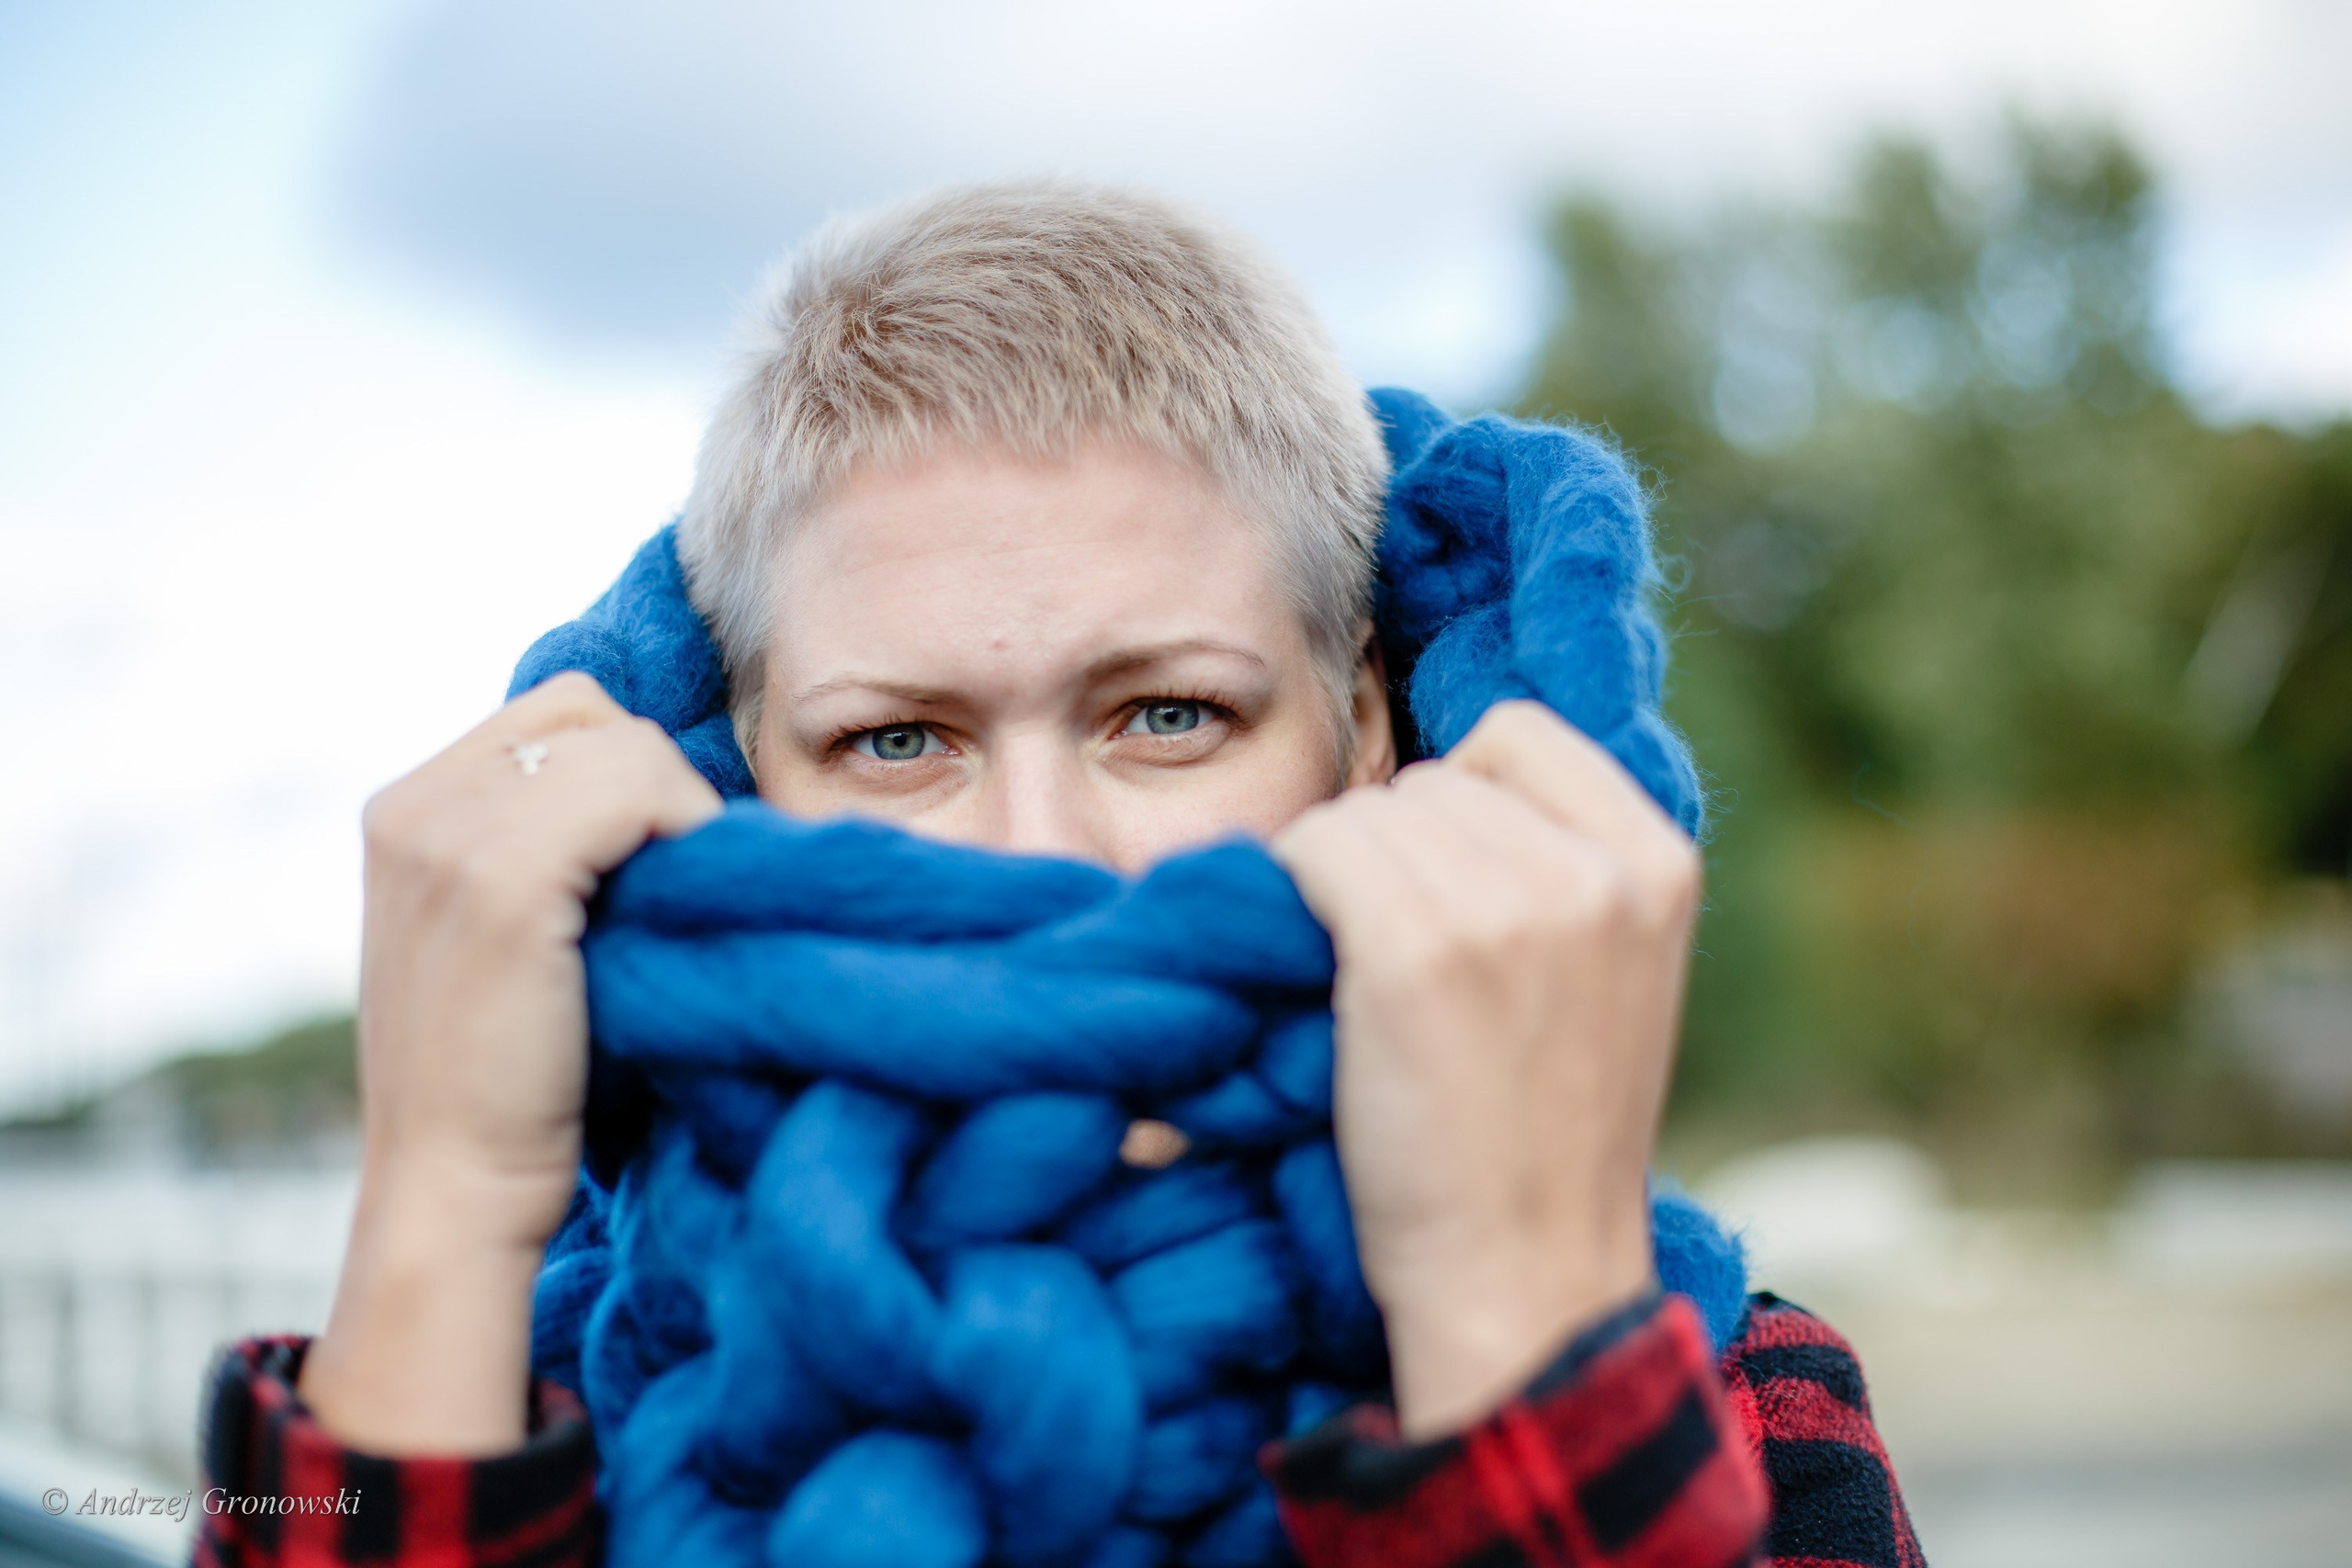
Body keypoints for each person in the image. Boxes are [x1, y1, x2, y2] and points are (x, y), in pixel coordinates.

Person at [197, 183, 1921, 1568]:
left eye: (1169, 715)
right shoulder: (498, 1408)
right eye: (897, 741)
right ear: (740, 784)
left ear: (1371, 733)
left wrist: (1501, 1317)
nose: (1040, 850)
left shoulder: (1734, 1406)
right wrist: (440, 1203)